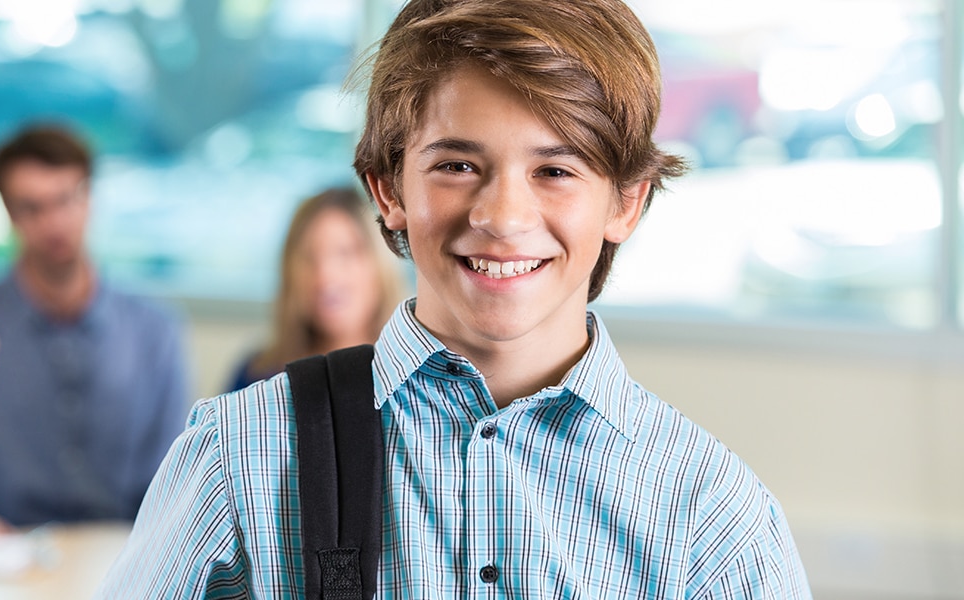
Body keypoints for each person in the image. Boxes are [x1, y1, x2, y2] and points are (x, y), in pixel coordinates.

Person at [98, 0, 812, 596]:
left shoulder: (711, 517)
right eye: (458, 164)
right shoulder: (240, 458)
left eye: (556, 169)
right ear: (388, 189)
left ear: (626, 202)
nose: (502, 217)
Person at [0, 125, 192, 529]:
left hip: (125, 563)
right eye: (32, 208)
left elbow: (175, 485)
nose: (53, 223)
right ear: (8, 212)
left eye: (65, 200)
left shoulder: (155, 333)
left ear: (90, 197)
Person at [225, 186, 405, 392]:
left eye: (345, 253)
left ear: (380, 266)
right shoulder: (256, 375)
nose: (325, 274)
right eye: (309, 257)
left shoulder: (414, 379)